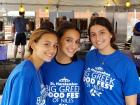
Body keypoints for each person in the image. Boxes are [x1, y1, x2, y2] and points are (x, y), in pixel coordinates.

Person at [83, 17, 140, 105]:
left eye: (102, 33)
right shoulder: (90, 56)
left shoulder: (126, 64)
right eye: (93, 34)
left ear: (111, 34)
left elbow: (131, 103)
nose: (97, 38)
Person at [1, 28, 58, 105]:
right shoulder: (25, 73)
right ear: (33, 45)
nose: (52, 49)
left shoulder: (37, 69)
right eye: (46, 44)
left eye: (55, 45)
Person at [40, 22, 84, 105]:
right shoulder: (44, 65)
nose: (73, 46)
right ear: (58, 40)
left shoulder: (83, 66)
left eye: (77, 42)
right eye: (68, 40)